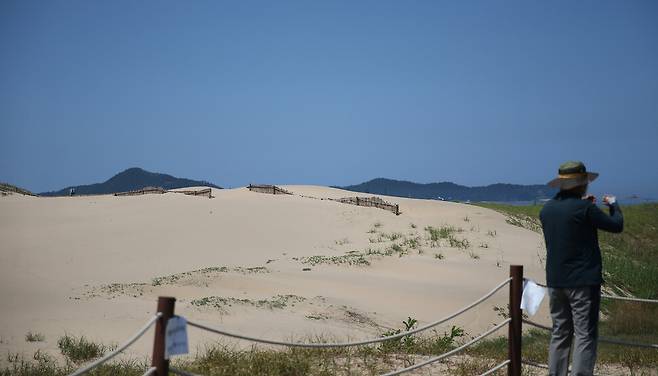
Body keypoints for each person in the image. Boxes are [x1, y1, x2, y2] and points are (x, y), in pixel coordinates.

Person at [539, 161, 623, 376]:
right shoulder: (585, 208)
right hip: (583, 282)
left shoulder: (547, 210)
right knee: (585, 335)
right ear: (581, 184)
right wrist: (614, 205)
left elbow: (568, 222)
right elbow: (616, 225)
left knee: (560, 333)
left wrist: (584, 205)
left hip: (556, 280)